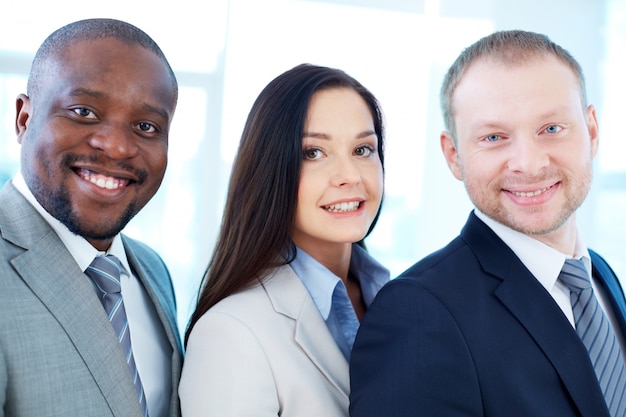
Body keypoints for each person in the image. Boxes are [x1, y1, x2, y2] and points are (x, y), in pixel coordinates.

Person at [350, 30, 626, 417]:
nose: (529, 164)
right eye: (494, 137)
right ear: (454, 156)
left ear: (592, 131)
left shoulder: (599, 277)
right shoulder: (417, 313)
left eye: (551, 129)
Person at [179, 63, 389, 416]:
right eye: (313, 153)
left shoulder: (395, 297)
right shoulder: (231, 334)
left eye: (363, 150)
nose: (350, 175)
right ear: (270, 168)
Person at [0, 18, 183, 417]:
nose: (117, 147)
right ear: (23, 119)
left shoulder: (151, 271)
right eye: (83, 111)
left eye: (146, 126)